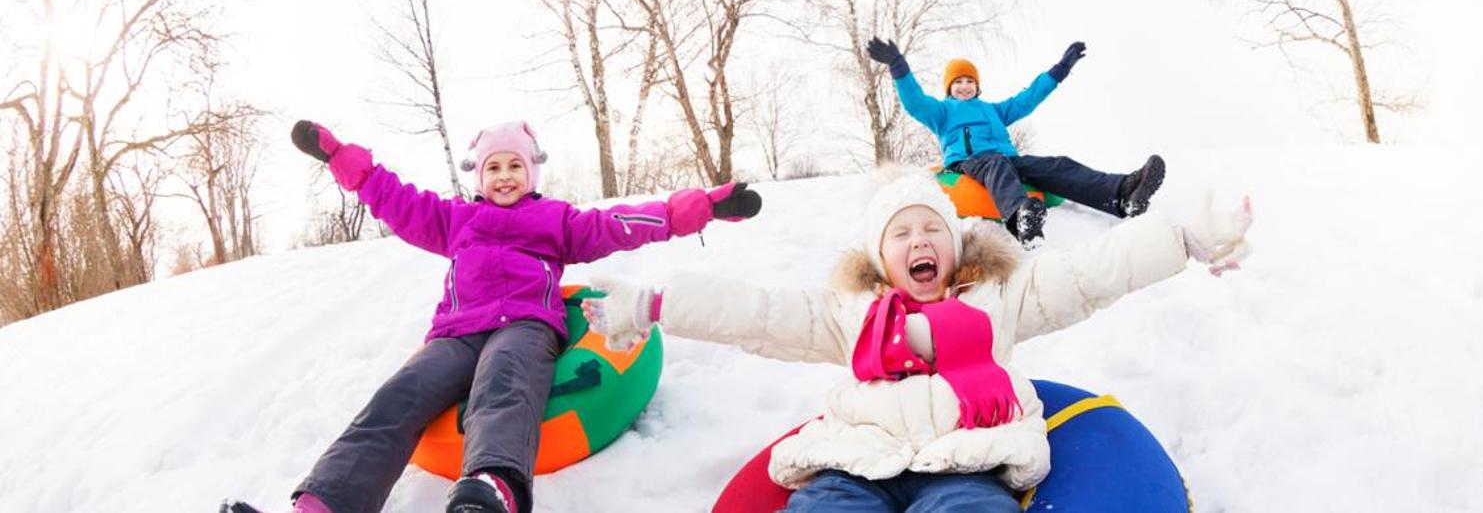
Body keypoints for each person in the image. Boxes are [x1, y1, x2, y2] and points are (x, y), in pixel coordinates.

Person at [583, 168, 1252, 512]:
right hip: (855, 465)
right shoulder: (850, 313)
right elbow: (756, 312)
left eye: (931, 229)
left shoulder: (998, 299)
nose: (918, 242)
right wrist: (654, 302)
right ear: (881, 256)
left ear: (955, 245)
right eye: (900, 235)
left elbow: (1084, 276)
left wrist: (1182, 239)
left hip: (967, 463)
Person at [221, 120, 762, 513]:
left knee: (503, 387)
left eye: (514, 166)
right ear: (479, 177)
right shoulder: (457, 220)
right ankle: (322, 504)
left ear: (530, 172)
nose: (504, 176)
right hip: (455, 333)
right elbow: (396, 199)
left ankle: (491, 491)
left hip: (526, 326)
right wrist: (343, 158)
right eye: (494, 167)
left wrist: (692, 210)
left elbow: (619, 223)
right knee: (397, 398)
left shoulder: (556, 220)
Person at [865, 37, 1164, 245]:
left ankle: (1122, 193)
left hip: (1007, 160)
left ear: (977, 86)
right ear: (949, 88)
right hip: (969, 164)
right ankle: (1019, 217)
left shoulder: (993, 110)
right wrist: (899, 67)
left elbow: (1027, 99)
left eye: (970, 81)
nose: (965, 86)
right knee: (995, 165)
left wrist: (1059, 72)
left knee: (1055, 165)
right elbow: (915, 102)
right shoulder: (942, 112)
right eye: (958, 82)